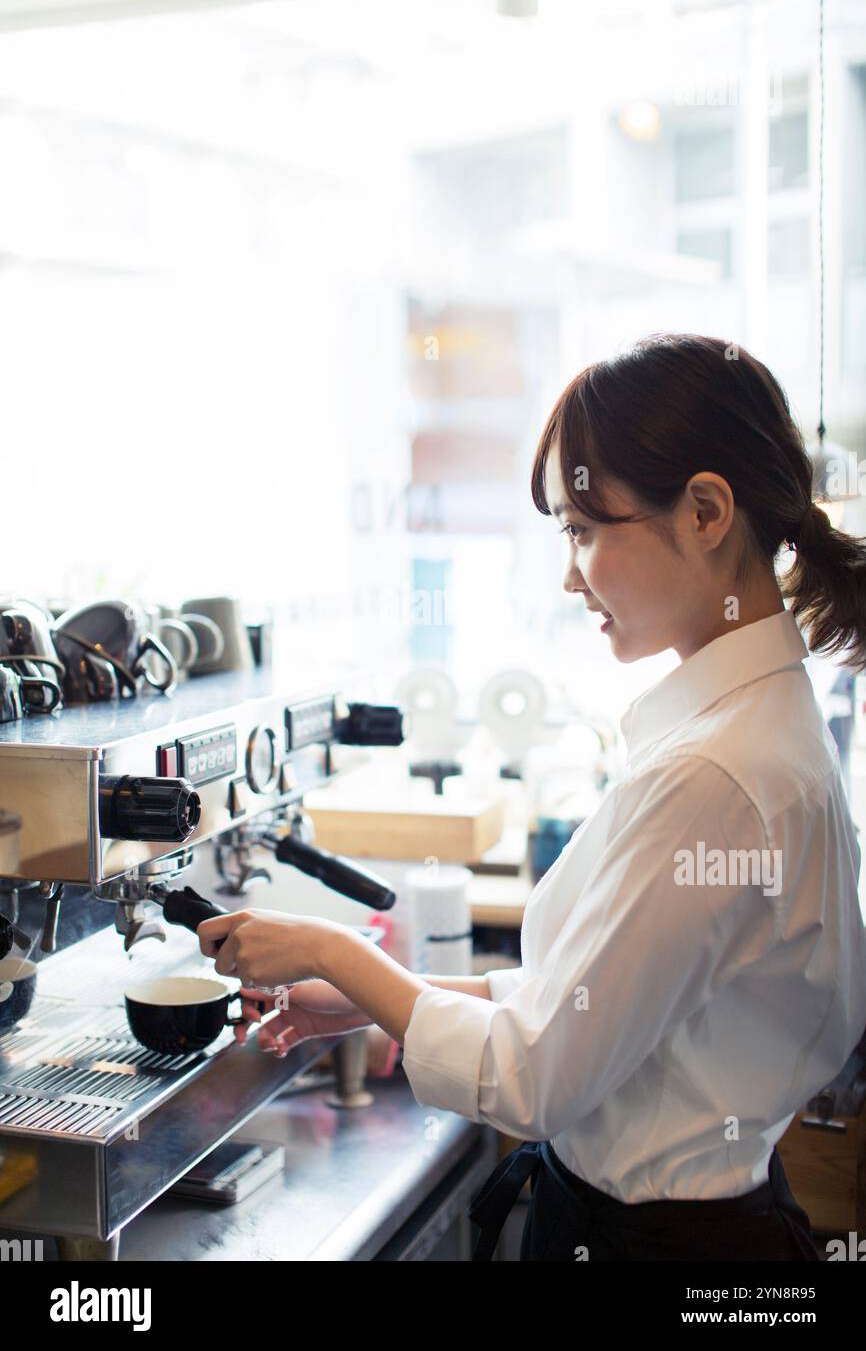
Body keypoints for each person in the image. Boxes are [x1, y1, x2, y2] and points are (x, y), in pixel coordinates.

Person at [197, 332, 866, 1261]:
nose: (568, 573)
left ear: (707, 510)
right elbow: (585, 1006)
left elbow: (535, 1076)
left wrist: (334, 949)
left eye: (585, 531)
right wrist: (368, 997)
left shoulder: (716, 776)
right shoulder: (744, 729)